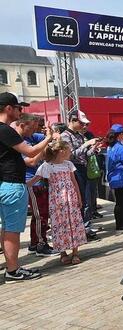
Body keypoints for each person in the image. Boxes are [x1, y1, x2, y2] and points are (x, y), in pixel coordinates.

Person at [0, 92, 53, 281]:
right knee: (12, 231)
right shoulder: (5, 130)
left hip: (5, 184)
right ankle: (13, 270)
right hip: (12, 185)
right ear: (8, 108)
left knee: (6, 229)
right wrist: (49, 137)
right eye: (18, 108)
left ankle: (11, 268)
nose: (20, 112)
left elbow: (29, 160)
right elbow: (30, 151)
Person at [28, 140, 86, 265]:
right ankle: (63, 252)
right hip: (57, 200)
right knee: (60, 224)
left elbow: (74, 182)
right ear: (62, 151)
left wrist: (79, 197)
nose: (70, 153)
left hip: (70, 198)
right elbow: (34, 179)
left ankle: (75, 252)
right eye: (69, 150)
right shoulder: (47, 166)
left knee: (73, 223)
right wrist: (21, 186)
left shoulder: (69, 164)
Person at [17, 114, 58, 256]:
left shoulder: (31, 137)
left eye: (39, 127)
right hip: (31, 183)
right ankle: (41, 244)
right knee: (40, 215)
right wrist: (44, 146)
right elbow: (31, 161)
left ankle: (35, 243)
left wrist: (49, 134)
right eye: (34, 127)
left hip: (40, 181)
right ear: (23, 125)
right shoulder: (19, 142)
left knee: (40, 215)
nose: (36, 130)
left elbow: (54, 138)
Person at [60, 110, 101, 240]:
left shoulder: (79, 135)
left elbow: (84, 155)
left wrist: (93, 148)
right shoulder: (65, 136)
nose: (84, 126)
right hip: (74, 170)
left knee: (87, 199)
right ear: (73, 121)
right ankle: (80, 228)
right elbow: (70, 155)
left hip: (83, 168)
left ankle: (86, 227)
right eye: (81, 123)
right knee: (80, 199)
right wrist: (87, 144)